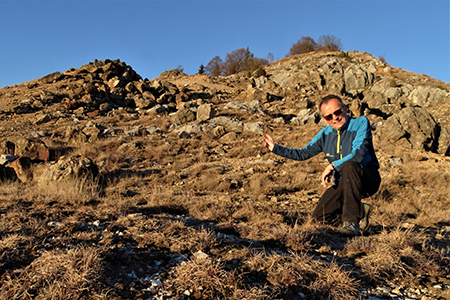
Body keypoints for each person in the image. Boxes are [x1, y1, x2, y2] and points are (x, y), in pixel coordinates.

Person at [263, 94, 381, 236]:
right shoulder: (324, 134)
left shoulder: (360, 123)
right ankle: (361, 211)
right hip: (344, 183)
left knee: (350, 165)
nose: (335, 118)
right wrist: (276, 148)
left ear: (345, 109)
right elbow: (303, 153)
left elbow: (358, 155)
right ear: (324, 119)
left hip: (366, 178)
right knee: (319, 218)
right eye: (329, 116)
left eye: (337, 112)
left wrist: (332, 166)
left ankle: (351, 224)